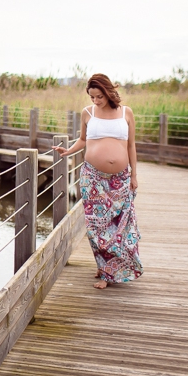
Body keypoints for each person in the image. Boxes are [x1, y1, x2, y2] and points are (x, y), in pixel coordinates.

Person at [52, 73, 143, 289]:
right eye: (92, 97)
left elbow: (131, 146)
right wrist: (68, 150)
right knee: (97, 227)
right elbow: (84, 140)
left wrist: (134, 175)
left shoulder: (125, 113)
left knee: (120, 226)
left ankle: (113, 267)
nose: (95, 101)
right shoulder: (87, 113)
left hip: (120, 179)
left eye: (99, 96)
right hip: (92, 178)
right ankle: (105, 272)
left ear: (109, 91)